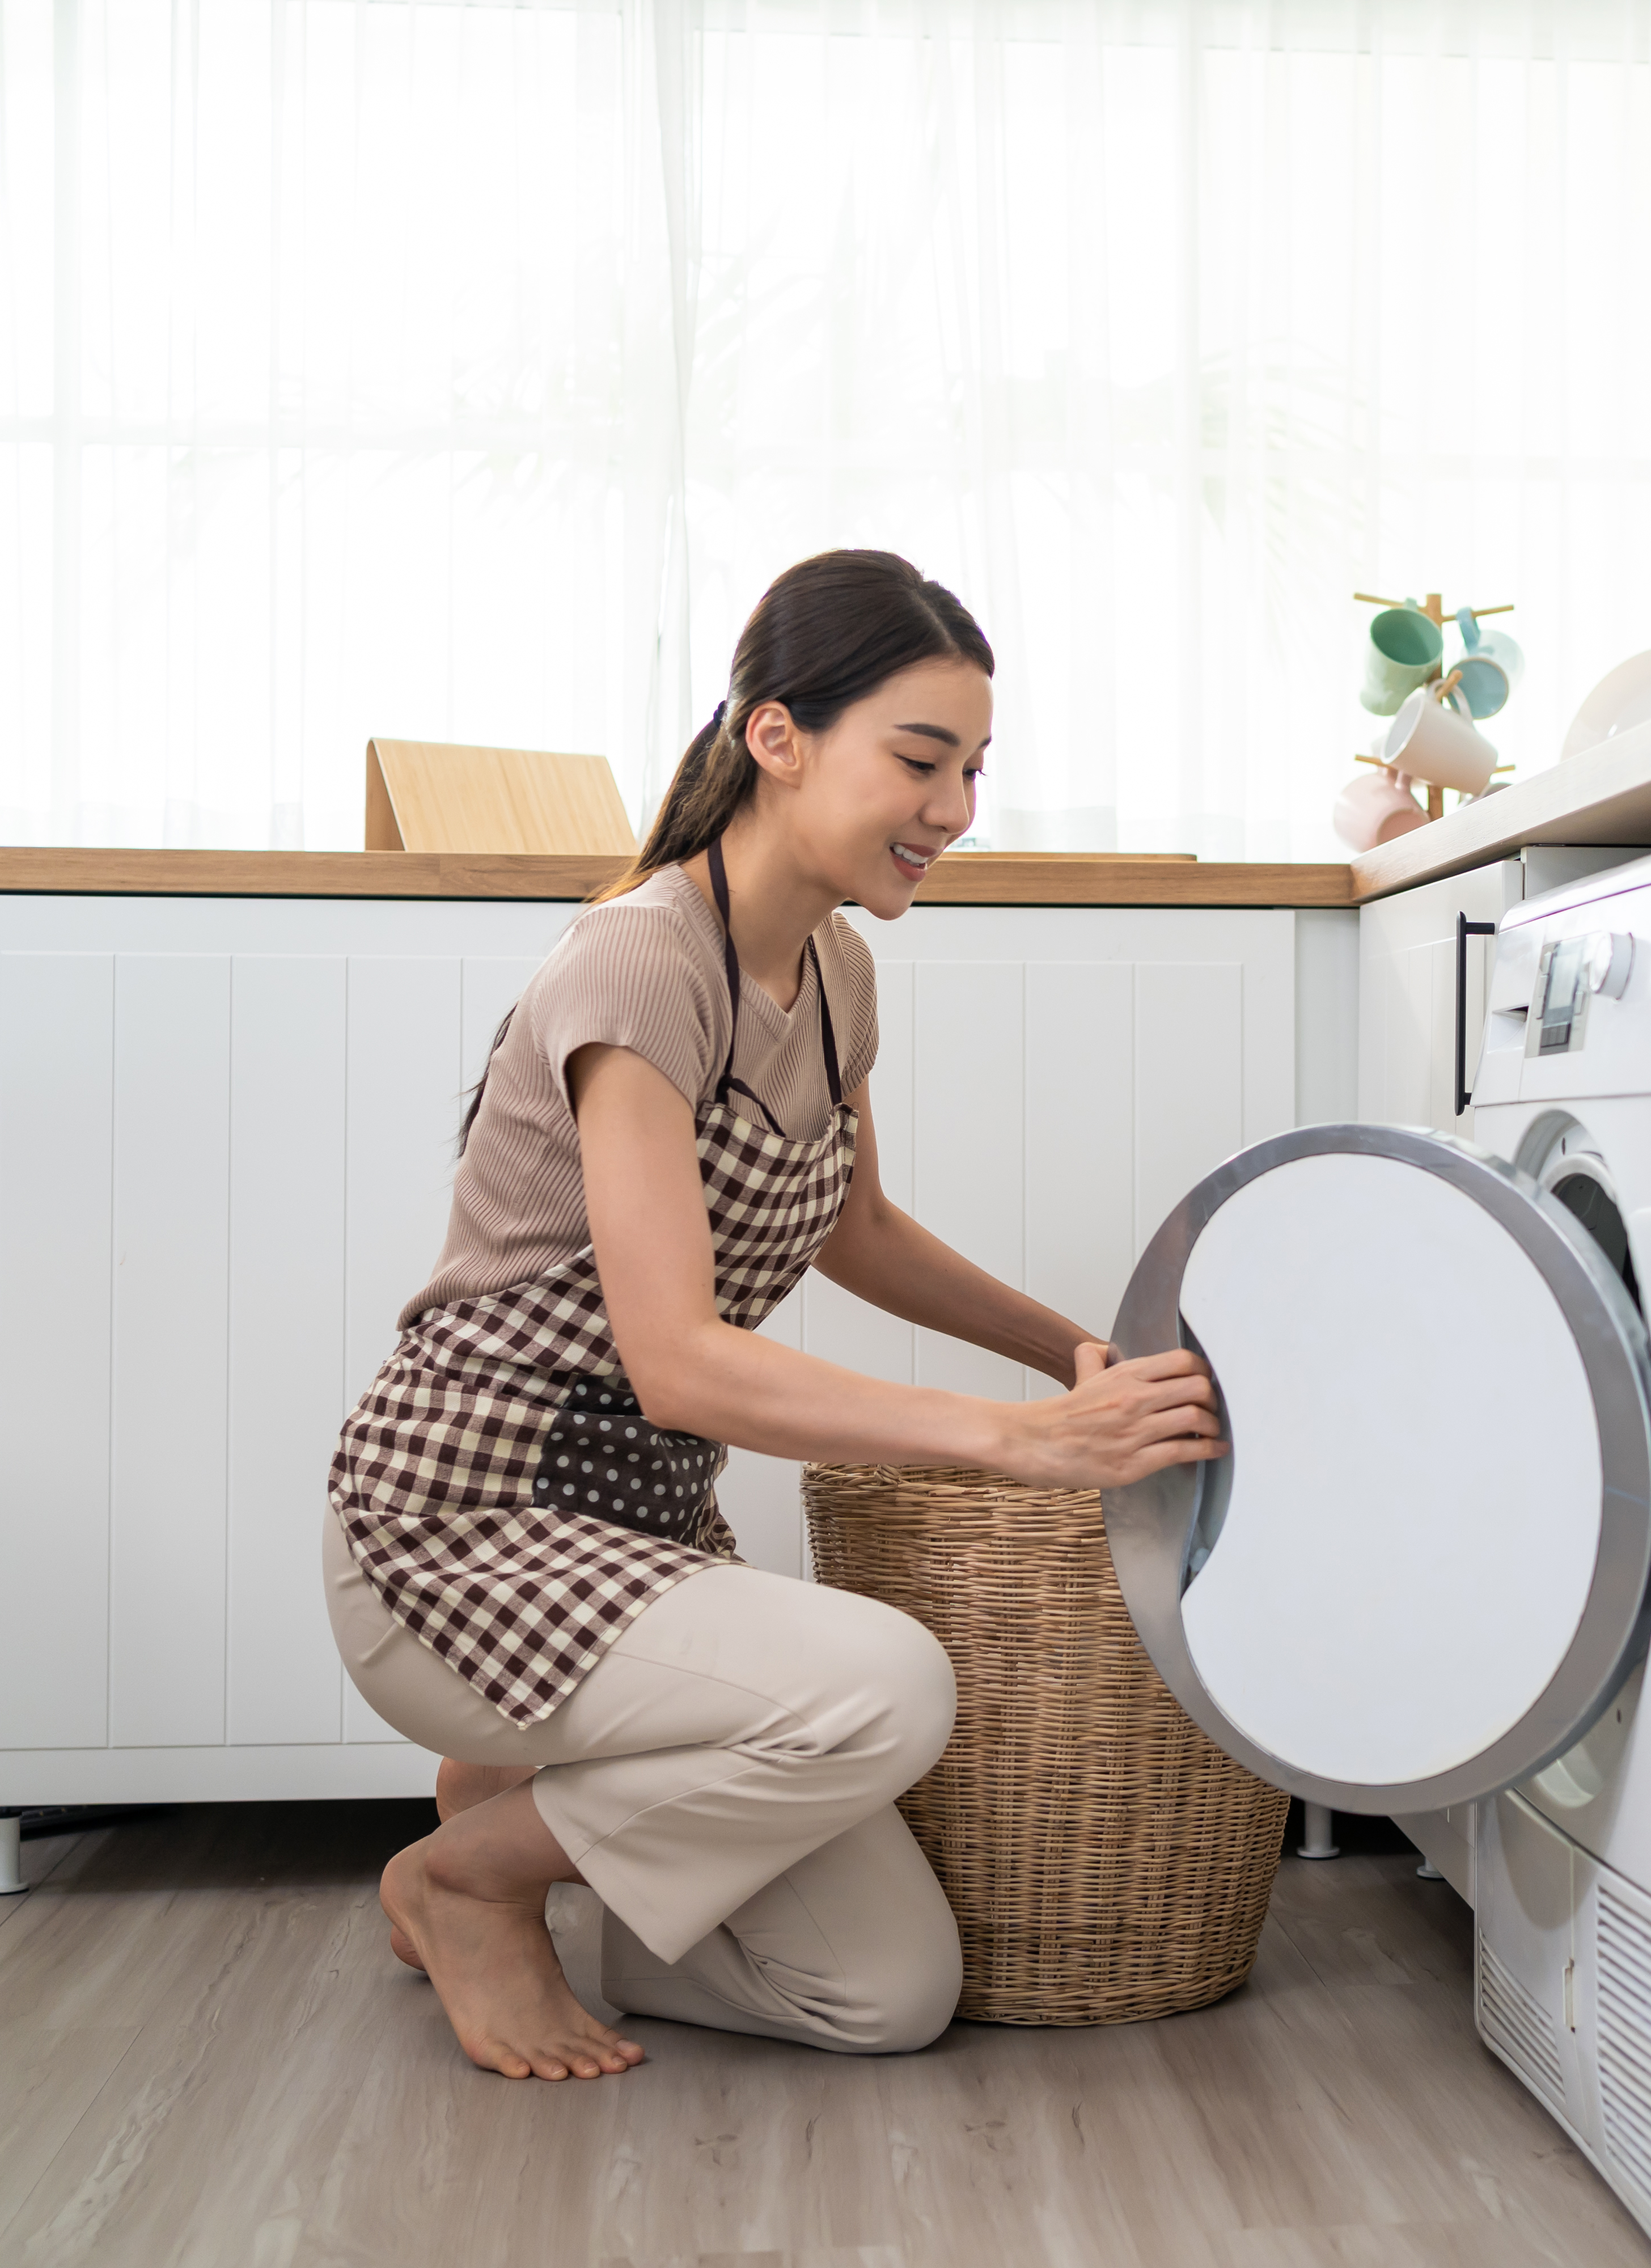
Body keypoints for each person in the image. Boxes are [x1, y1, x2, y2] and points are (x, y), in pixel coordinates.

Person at [324, 549, 1223, 2081]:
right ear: (778, 737)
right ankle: (467, 1883)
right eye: (921, 760)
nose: (954, 809)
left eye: (975, 770)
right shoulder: (637, 965)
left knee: (883, 1995)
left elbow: (859, 1229)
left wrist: (1078, 1350)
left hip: (642, 1540)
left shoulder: (836, 973)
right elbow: (676, 1362)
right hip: (460, 1529)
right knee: (888, 1684)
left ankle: (514, 1829)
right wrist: (1019, 1440)